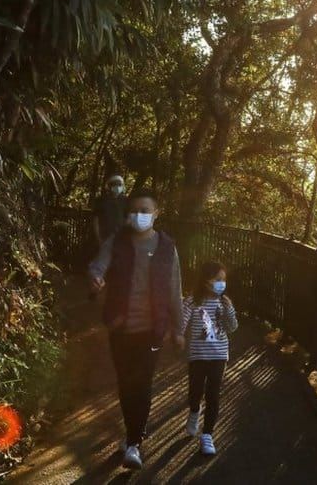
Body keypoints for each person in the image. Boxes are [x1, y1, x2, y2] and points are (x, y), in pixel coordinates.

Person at [88, 189, 185, 469]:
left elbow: (174, 289)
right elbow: (98, 266)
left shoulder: (167, 247)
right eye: (135, 210)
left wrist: (178, 328)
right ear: (128, 214)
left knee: (141, 384)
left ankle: (133, 443)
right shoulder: (116, 242)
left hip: (152, 330)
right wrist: (95, 278)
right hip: (120, 328)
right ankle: (132, 434)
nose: (139, 215)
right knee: (125, 384)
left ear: (156, 213)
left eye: (146, 210)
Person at [179, 261, 238, 456]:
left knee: (213, 394)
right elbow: (182, 321)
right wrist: (178, 334)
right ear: (206, 281)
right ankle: (194, 412)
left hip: (219, 355)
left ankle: (207, 435)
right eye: (218, 279)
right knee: (195, 391)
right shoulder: (192, 301)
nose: (222, 283)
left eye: (224, 280)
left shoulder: (224, 302)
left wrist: (229, 310)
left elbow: (233, 328)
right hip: (198, 355)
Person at [91, 174, 128, 243]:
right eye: (114, 184)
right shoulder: (101, 200)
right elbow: (96, 220)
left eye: (119, 184)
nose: (117, 187)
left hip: (120, 238)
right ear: (109, 186)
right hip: (104, 237)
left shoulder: (126, 200)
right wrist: (98, 238)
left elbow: (127, 219)